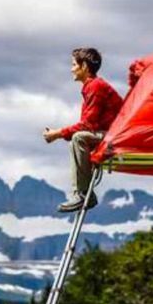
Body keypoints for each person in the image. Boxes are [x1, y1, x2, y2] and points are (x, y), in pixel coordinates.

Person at [44, 48, 123, 213]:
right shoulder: (92, 87)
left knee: (79, 137)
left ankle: (82, 193)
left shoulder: (95, 87)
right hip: (109, 133)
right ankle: (82, 192)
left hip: (116, 135)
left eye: (74, 64)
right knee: (78, 138)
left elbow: (87, 125)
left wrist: (57, 134)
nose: (71, 68)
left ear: (84, 66)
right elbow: (89, 124)